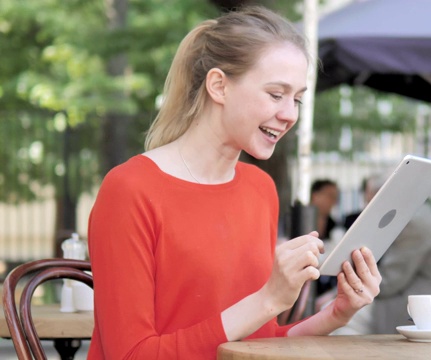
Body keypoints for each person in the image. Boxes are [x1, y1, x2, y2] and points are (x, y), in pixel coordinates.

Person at [86, 7, 381, 359]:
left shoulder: (260, 189)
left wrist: (336, 313)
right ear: (219, 86)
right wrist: (268, 298)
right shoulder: (130, 190)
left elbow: (257, 339)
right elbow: (131, 354)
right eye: (276, 94)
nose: (290, 114)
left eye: (297, 98)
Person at [332, 172, 431, 335]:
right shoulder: (420, 213)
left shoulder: (412, 222)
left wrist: (344, 291)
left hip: (423, 310)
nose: (367, 210)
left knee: (339, 314)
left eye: (370, 202)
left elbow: (388, 282)